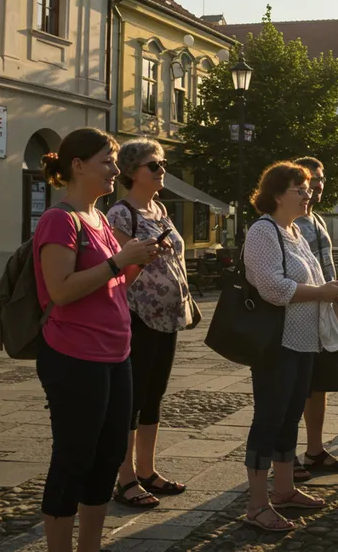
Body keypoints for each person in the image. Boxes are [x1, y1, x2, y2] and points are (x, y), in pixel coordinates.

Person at [33, 128, 160, 552]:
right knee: (74, 458)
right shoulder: (59, 219)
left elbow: (114, 285)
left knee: (107, 458)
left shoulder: (100, 219)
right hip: (73, 355)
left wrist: (136, 263)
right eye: (106, 161)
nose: (114, 170)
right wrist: (119, 261)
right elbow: (61, 290)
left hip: (116, 354)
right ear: (77, 166)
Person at [241, 161, 338, 532]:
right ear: (276, 195)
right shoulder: (264, 230)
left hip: (304, 342)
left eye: (308, 188)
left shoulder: (294, 232)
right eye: (299, 189)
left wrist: (332, 291)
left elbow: (314, 278)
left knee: (289, 417)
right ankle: (257, 504)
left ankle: (285, 489)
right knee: (269, 418)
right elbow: (272, 288)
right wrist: (321, 293)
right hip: (276, 343)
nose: (308, 194)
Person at [108, 139, 194, 508]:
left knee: (154, 394)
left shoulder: (159, 209)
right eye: (153, 165)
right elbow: (118, 267)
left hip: (167, 317)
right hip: (137, 315)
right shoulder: (120, 214)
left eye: (162, 164)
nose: (162, 170)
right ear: (131, 171)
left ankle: (147, 469)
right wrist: (144, 253)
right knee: (133, 397)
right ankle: (125, 477)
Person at [290, 157, 338, 480]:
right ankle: (286, 456)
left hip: (326, 313)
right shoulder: (285, 222)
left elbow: (327, 267)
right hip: (299, 315)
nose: (317, 185)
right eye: (311, 179)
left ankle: (315, 450)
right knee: (295, 387)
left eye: (321, 178)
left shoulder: (317, 220)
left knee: (319, 386)